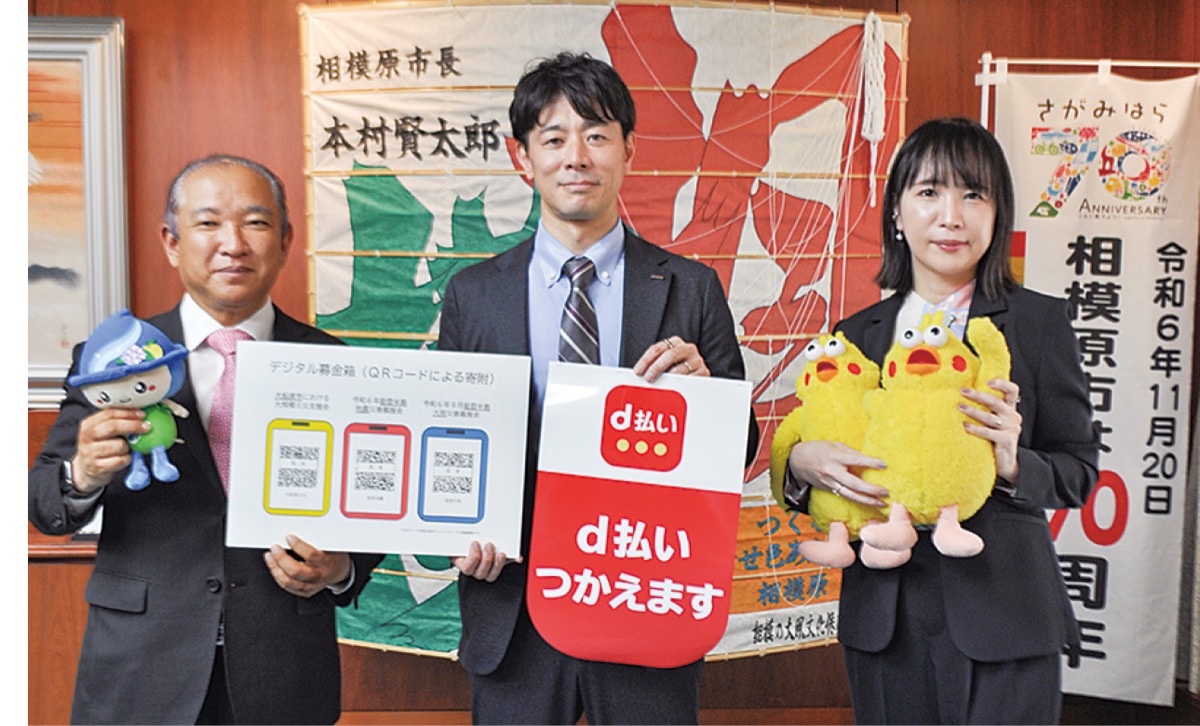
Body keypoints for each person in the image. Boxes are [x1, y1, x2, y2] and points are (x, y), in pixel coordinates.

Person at [437, 52, 759, 724]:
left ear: (629, 149)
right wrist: (461, 527)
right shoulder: (474, 293)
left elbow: (740, 451)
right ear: (522, 156)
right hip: (514, 604)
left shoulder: (691, 287)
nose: (576, 157)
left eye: (596, 135)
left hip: (642, 597)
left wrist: (706, 402)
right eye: (553, 138)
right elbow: (452, 443)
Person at [29, 155, 384, 725]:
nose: (233, 244)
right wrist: (84, 474)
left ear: (286, 241)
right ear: (172, 242)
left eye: (256, 223)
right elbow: (44, 503)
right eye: (208, 223)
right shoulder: (114, 359)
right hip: (141, 669)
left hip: (281, 670)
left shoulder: (332, 362)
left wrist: (341, 569)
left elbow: (371, 504)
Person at [779, 117, 1100, 724]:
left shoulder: (1037, 325)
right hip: (886, 618)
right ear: (897, 214)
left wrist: (1013, 462)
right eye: (929, 192)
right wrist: (799, 465)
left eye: (973, 194)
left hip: (1005, 615)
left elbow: (1078, 472)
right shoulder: (855, 336)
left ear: (997, 215)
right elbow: (817, 460)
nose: (951, 216)